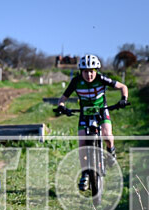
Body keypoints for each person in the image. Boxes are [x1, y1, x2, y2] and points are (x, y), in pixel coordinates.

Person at [55, 54, 129, 191]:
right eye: (86, 71)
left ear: (96, 71)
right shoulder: (76, 81)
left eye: (92, 71)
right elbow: (63, 98)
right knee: (82, 143)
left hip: (101, 110)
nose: (89, 75)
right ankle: (85, 174)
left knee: (107, 135)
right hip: (85, 113)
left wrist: (124, 99)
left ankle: (111, 150)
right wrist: (61, 106)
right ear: (81, 71)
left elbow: (123, 87)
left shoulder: (101, 79)